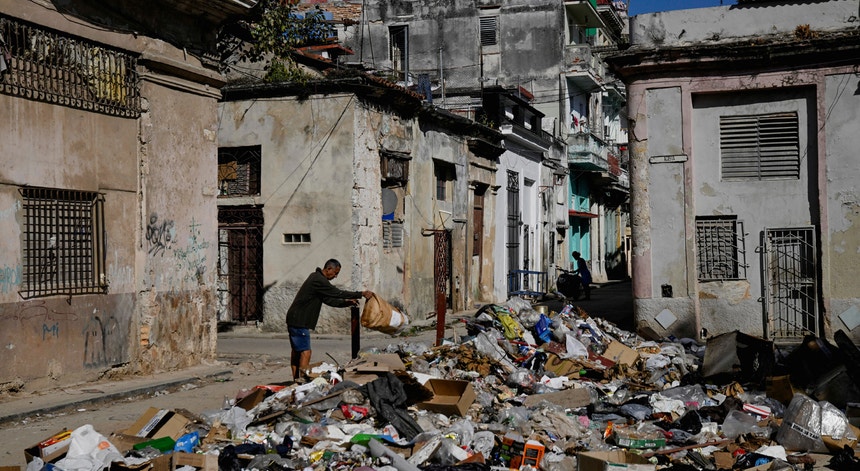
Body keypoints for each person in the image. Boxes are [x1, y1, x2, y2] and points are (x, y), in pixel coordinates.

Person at [286, 259, 372, 383]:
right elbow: (336, 292)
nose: (336, 276)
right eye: (335, 273)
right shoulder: (318, 279)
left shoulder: (316, 278)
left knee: (297, 352)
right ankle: (301, 382)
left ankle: (296, 380)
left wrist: (345, 303)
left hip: (294, 318)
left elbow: (328, 300)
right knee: (305, 352)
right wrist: (360, 294)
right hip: (299, 320)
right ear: (329, 269)